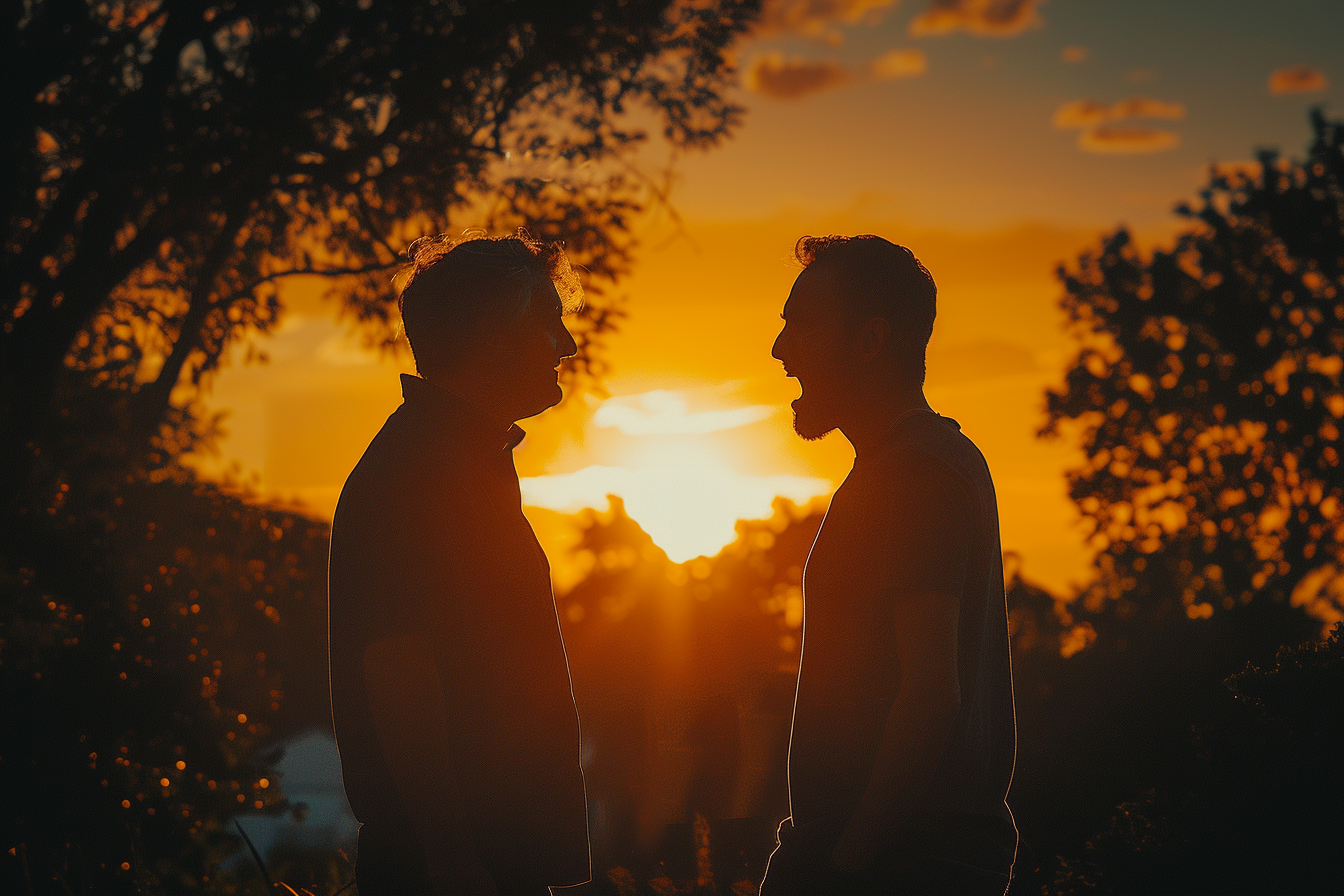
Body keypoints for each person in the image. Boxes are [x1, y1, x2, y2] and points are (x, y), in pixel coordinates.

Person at [328, 231, 590, 895]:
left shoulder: (459, 462)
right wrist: (449, 859)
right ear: (494, 332)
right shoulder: (418, 472)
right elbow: (397, 668)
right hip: (458, 872)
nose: (567, 346)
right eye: (549, 323)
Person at [760, 235, 1018, 895]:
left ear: (870, 340)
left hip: (895, 867)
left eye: (800, 324)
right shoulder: (925, 462)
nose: (780, 349)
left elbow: (931, 695)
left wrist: (848, 860)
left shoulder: (915, 472)